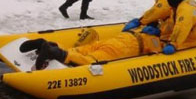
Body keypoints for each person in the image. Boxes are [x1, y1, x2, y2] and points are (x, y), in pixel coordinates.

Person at [20, 26, 163, 68]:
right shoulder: (155, 40)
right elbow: (157, 56)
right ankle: (55, 52)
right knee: (90, 60)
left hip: (115, 40)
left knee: (81, 50)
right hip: (120, 49)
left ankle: (49, 44)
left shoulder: (140, 28)